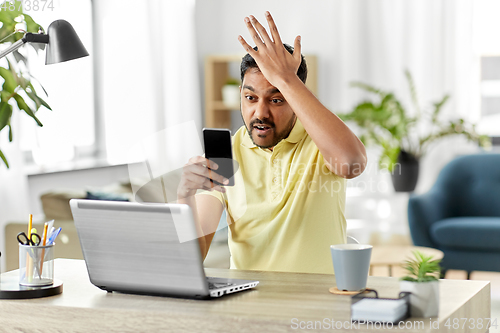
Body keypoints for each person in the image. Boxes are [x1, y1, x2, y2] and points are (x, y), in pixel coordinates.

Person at [177, 12, 367, 274]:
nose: (260, 113)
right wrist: (184, 196)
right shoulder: (228, 153)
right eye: (250, 98)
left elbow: (352, 164)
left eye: (276, 99)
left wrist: (286, 78)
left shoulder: (320, 143)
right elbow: (190, 259)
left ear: (295, 97)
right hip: (248, 304)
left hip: (317, 305)